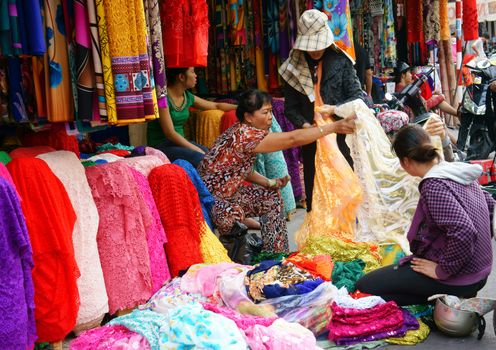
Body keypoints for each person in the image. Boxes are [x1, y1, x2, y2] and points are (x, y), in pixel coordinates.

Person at [198, 89, 356, 253]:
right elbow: (292, 139)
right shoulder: (246, 136)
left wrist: (269, 182)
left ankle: (274, 252)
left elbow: (242, 170)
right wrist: (334, 127)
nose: (270, 117)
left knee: (270, 195)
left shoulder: (239, 131)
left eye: (271, 111)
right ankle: (272, 254)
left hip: (223, 197)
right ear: (248, 117)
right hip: (213, 203)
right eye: (265, 112)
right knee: (268, 199)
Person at [356, 125, 494, 306]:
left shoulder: (434, 185)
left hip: (462, 277)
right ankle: (447, 298)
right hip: (480, 271)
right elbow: (490, 205)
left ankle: (447, 298)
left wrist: (442, 270)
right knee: (392, 286)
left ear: (405, 161)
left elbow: (463, 231)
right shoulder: (456, 171)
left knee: (364, 286)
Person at [279, 9, 363, 211]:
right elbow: (290, 108)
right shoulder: (293, 67)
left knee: (344, 188)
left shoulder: (342, 62)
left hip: (341, 133)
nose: (315, 50)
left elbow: (358, 98)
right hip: (311, 137)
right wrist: (307, 126)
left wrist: (335, 110)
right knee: (316, 189)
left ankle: (347, 233)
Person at [147, 67, 236, 167]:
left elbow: (216, 105)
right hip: (162, 145)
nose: (196, 76)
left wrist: (241, 107)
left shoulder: (187, 96)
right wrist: (195, 148)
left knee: (212, 153)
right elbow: (170, 133)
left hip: (179, 143)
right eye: (193, 72)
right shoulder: (163, 98)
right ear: (181, 77)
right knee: (203, 159)